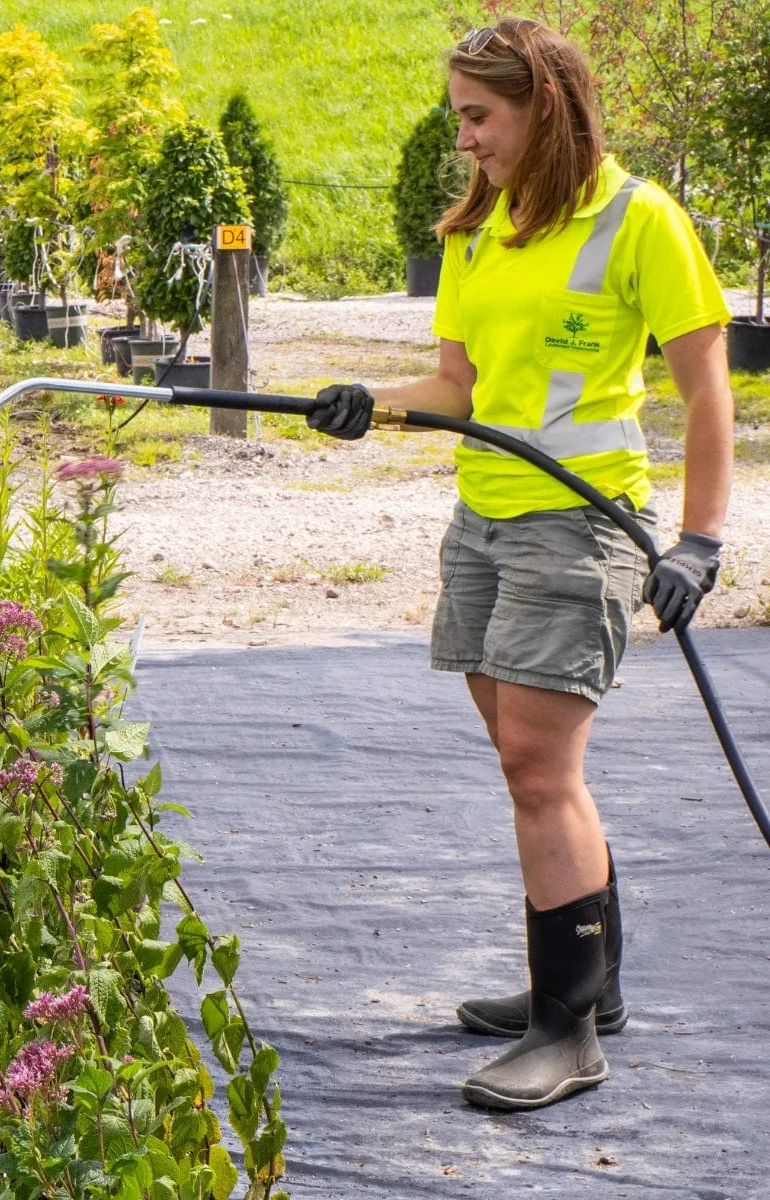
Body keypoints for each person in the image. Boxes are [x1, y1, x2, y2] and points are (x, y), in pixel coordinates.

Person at [308, 17, 733, 1111]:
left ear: (545, 104)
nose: (466, 141)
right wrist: (370, 404)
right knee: (525, 759)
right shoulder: (478, 228)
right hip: (484, 522)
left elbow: (707, 389)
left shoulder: (643, 220)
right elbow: (458, 390)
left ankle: (566, 1032)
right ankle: (595, 984)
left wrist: (700, 539)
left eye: (479, 117)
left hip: (580, 529)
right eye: (459, 118)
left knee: (540, 774)